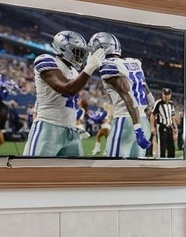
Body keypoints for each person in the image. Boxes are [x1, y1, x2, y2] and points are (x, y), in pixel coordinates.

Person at [27, 30, 102, 158]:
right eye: (78, 52)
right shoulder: (46, 60)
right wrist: (89, 68)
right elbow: (67, 89)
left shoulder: (74, 71)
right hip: (48, 127)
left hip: (71, 130)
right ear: (63, 49)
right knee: (36, 173)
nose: (81, 57)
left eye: (83, 53)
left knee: (75, 175)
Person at [87, 31, 154, 158]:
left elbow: (128, 97)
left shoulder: (109, 66)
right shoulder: (134, 62)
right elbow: (144, 86)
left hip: (127, 121)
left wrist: (137, 129)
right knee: (136, 170)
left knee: (114, 169)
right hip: (143, 120)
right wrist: (151, 103)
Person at [153, 89, 180, 158]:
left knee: (171, 147)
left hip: (169, 127)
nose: (166, 96)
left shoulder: (171, 104)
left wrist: (175, 127)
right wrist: (152, 127)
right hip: (161, 126)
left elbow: (172, 116)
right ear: (162, 94)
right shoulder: (158, 103)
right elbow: (153, 115)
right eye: (165, 94)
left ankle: (171, 163)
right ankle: (161, 163)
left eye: (168, 94)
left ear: (170, 95)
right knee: (162, 147)